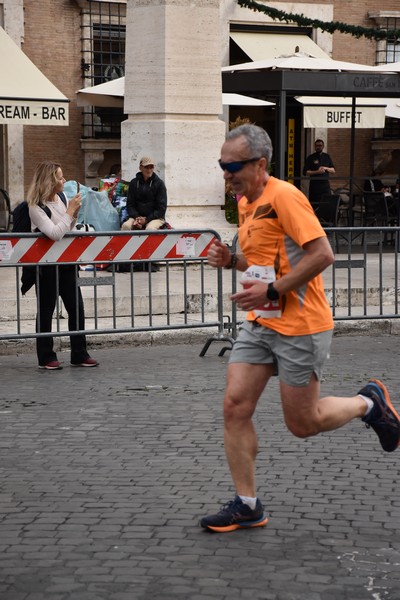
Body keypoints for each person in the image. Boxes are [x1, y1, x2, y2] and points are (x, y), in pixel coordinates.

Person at [201, 124, 400, 533]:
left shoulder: (286, 197)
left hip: (301, 326)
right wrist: (231, 262)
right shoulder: (245, 201)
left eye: (233, 165)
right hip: (261, 323)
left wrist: (271, 289)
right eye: (222, 165)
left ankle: (369, 403)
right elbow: (266, 263)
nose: (226, 173)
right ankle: (247, 504)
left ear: (260, 164)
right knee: (234, 407)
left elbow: (322, 253)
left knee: (302, 424)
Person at [27, 160, 99, 370]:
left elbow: (69, 226)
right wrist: (70, 211)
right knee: (46, 309)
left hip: (67, 262)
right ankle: (46, 356)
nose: (64, 180)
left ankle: (79, 353)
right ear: (50, 180)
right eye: (60, 177)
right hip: (46, 266)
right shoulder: (35, 207)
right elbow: (55, 233)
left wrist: (74, 212)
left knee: (76, 308)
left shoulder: (62, 197)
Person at [121, 156, 167, 231]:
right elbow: (130, 204)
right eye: (146, 167)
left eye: (151, 167)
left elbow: (161, 208)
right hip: (136, 217)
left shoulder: (159, 184)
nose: (149, 170)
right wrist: (137, 217)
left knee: (150, 229)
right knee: (126, 226)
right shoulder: (134, 183)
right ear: (140, 168)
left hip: (155, 218)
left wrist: (146, 219)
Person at [303, 139, 335, 204]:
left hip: (325, 186)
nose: (318, 147)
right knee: (314, 205)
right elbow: (305, 172)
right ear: (315, 147)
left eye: (320, 145)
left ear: (323, 146)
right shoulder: (310, 157)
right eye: (317, 145)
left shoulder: (327, 156)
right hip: (314, 186)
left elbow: (333, 170)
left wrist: (325, 168)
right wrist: (317, 172)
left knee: (326, 205)